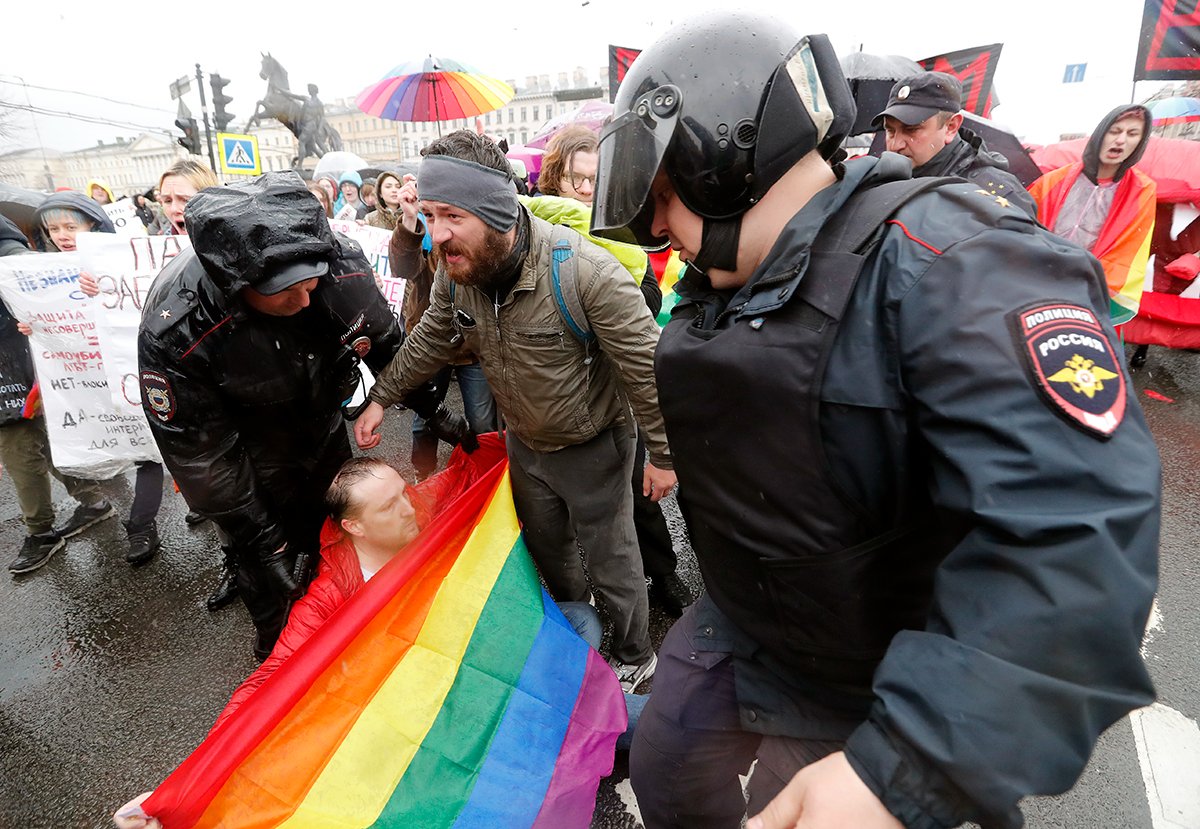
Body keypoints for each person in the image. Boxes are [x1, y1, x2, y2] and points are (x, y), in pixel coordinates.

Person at [590, 13, 1159, 829]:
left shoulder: (958, 265)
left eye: (663, 195)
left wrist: (906, 770)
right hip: (754, 614)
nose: (653, 226)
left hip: (876, 653)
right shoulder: (729, 280)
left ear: (718, 161)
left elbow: (1075, 533)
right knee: (669, 767)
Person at [111, 452, 647, 829]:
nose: (409, 509)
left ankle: (563, 728)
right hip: (427, 702)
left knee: (578, 622)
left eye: (403, 494)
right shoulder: (331, 591)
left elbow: (472, 468)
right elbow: (273, 678)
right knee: (594, 695)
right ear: (355, 528)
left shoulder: (426, 509)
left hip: (480, 658)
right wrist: (183, 785)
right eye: (388, 508)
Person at [354, 130, 676, 693]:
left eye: (452, 214)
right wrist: (381, 396)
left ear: (495, 210)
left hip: (594, 444)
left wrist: (665, 457)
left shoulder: (586, 273)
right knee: (548, 550)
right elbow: (433, 336)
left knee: (613, 557)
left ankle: (633, 653)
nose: (438, 235)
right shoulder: (460, 275)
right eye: (429, 215)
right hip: (526, 445)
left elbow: (649, 370)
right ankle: (578, 635)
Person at [137, 171, 473, 660]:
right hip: (247, 450)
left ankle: (352, 635)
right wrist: (266, 542)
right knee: (274, 574)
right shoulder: (178, 328)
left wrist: (434, 409)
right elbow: (201, 456)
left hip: (321, 421)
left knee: (338, 535)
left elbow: (385, 346)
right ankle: (280, 657)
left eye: (311, 282)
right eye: (283, 291)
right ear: (238, 284)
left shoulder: (342, 270)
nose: (304, 300)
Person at [538, 126, 694, 617]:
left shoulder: (616, 231)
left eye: (592, 180)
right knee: (567, 503)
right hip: (558, 391)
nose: (585, 191)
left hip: (616, 387)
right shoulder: (539, 231)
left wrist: (604, 294)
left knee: (638, 491)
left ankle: (663, 573)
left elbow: (648, 297)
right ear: (554, 179)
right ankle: (588, 593)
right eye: (574, 180)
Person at [26, 193, 166, 565]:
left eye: (71, 226)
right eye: (53, 228)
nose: (61, 235)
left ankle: (141, 526)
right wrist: (34, 325)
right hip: (85, 382)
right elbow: (50, 320)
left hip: (127, 369)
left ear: (93, 225)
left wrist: (106, 285)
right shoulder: (42, 273)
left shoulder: (117, 261)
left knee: (147, 452)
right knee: (129, 448)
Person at [0, 213, 116, 574]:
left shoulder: (11, 257)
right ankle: (92, 501)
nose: (60, 235)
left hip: (17, 367)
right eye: (54, 230)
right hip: (24, 363)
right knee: (47, 439)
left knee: (20, 450)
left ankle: (41, 531)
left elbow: (39, 287)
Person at [389, 172, 497, 479]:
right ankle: (424, 475)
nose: (440, 225)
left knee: (482, 420)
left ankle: (483, 477)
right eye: (430, 211)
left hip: (472, 343)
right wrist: (410, 219)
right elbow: (402, 267)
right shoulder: (422, 227)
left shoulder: (470, 225)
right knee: (426, 418)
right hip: (429, 339)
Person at [1030, 105, 1156, 325]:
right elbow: (1024, 227)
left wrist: (1083, 282)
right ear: (1101, 134)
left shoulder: (1142, 191)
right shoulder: (1053, 180)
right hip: (1038, 282)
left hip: (1088, 293)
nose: (1121, 140)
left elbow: (1128, 250)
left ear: (1140, 142)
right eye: (1115, 131)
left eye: (1132, 134)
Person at [874, 71, 1037, 218]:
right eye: (890, 131)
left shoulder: (997, 195)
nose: (895, 145)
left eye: (911, 130)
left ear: (951, 127)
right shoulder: (881, 180)